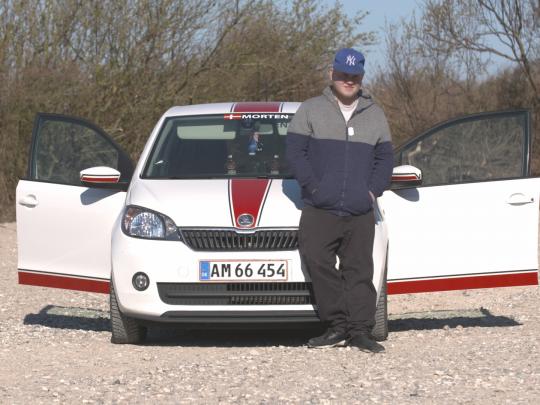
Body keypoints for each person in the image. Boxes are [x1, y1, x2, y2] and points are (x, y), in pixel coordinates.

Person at [286, 48, 393, 353]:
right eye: (343, 74)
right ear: (332, 74)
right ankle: (337, 326)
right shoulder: (310, 109)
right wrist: (314, 188)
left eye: (354, 76)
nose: (348, 80)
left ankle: (360, 331)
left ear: (361, 78)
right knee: (317, 261)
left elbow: (385, 158)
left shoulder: (375, 114)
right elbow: (295, 153)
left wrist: (371, 191)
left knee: (360, 270)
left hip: (359, 208)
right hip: (320, 207)